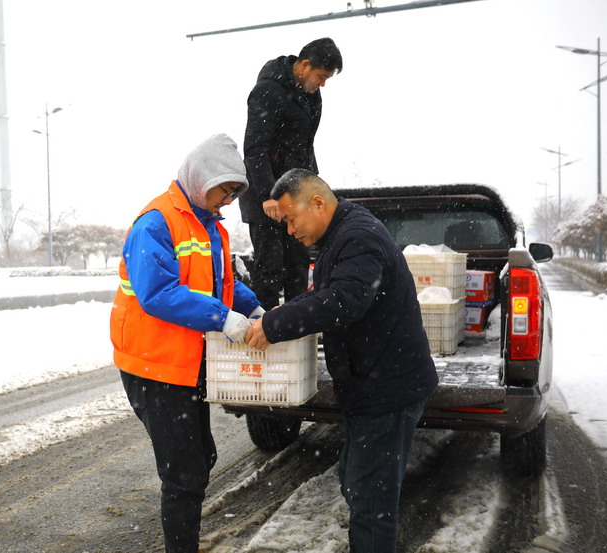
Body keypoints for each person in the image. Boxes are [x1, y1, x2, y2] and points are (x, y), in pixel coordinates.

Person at [245, 169, 439, 553]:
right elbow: (327, 292)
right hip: (368, 386)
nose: (289, 231)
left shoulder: (358, 237)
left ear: (317, 203)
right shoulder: (341, 235)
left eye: (291, 219)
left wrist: (275, 324)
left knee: (371, 502)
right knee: (357, 483)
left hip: (386, 390)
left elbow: (344, 301)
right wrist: (280, 311)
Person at [110, 133, 263, 553]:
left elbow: (220, 283)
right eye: (225, 190)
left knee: (201, 458)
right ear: (203, 178)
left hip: (185, 363)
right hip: (153, 365)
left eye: (234, 194)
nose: (228, 201)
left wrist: (254, 309)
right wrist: (223, 318)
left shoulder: (209, 225)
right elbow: (157, 293)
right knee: (184, 472)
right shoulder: (155, 223)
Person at [240, 37, 343, 310]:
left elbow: (305, 147)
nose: (322, 84)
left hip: (297, 195)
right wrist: (269, 195)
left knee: (298, 263)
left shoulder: (312, 97)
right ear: (305, 65)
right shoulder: (267, 90)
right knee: (270, 268)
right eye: (321, 77)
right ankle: (266, 328)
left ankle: (297, 327)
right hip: (267, 197)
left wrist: (314, 188)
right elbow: (255, 148)